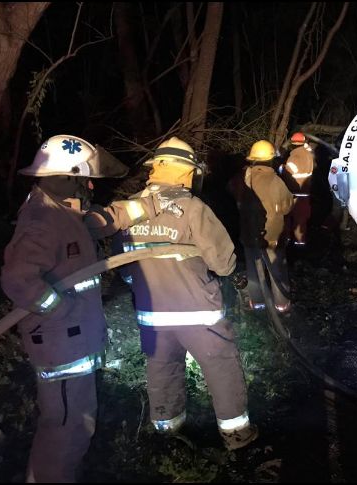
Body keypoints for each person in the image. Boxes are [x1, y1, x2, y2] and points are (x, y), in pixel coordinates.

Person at [1, 134, 145, 482]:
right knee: (67, 426)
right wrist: (61, 310)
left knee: (71, 422)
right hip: (61, 343)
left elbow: (99, 222)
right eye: (84, 180)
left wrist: (145, 206)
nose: (90, 187)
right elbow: (18, 280)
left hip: (72, 339)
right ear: (67, 177)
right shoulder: (42, 221)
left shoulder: (61, 211)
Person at [112, 136, 259, 451]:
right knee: (221, 364)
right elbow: (223, 262)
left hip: (151, 314)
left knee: (162, 367)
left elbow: (122, 266)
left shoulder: (129, 209)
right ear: (185, 172)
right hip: (198, 312)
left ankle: (167, 430)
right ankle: (236, 434)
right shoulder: (193, 207)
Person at [229, 139, 295, 312]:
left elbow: (231, 194)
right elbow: (287, 206)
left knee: (253, 269)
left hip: (248, 233)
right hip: (272, 236)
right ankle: (281, 305)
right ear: (271, 159)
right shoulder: (276, 181)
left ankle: (257, 304)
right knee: (276, 269)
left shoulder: (242, 178)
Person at [281, 132, 316, 247]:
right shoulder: (309, 155)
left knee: (289, 221)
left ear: (292, 144)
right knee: (301, 223)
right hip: (306, 194)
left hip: (294, 194)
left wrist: (281, 167)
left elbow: (287, 174)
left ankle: (287, 245)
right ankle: (300, 246)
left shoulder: (293, 157)